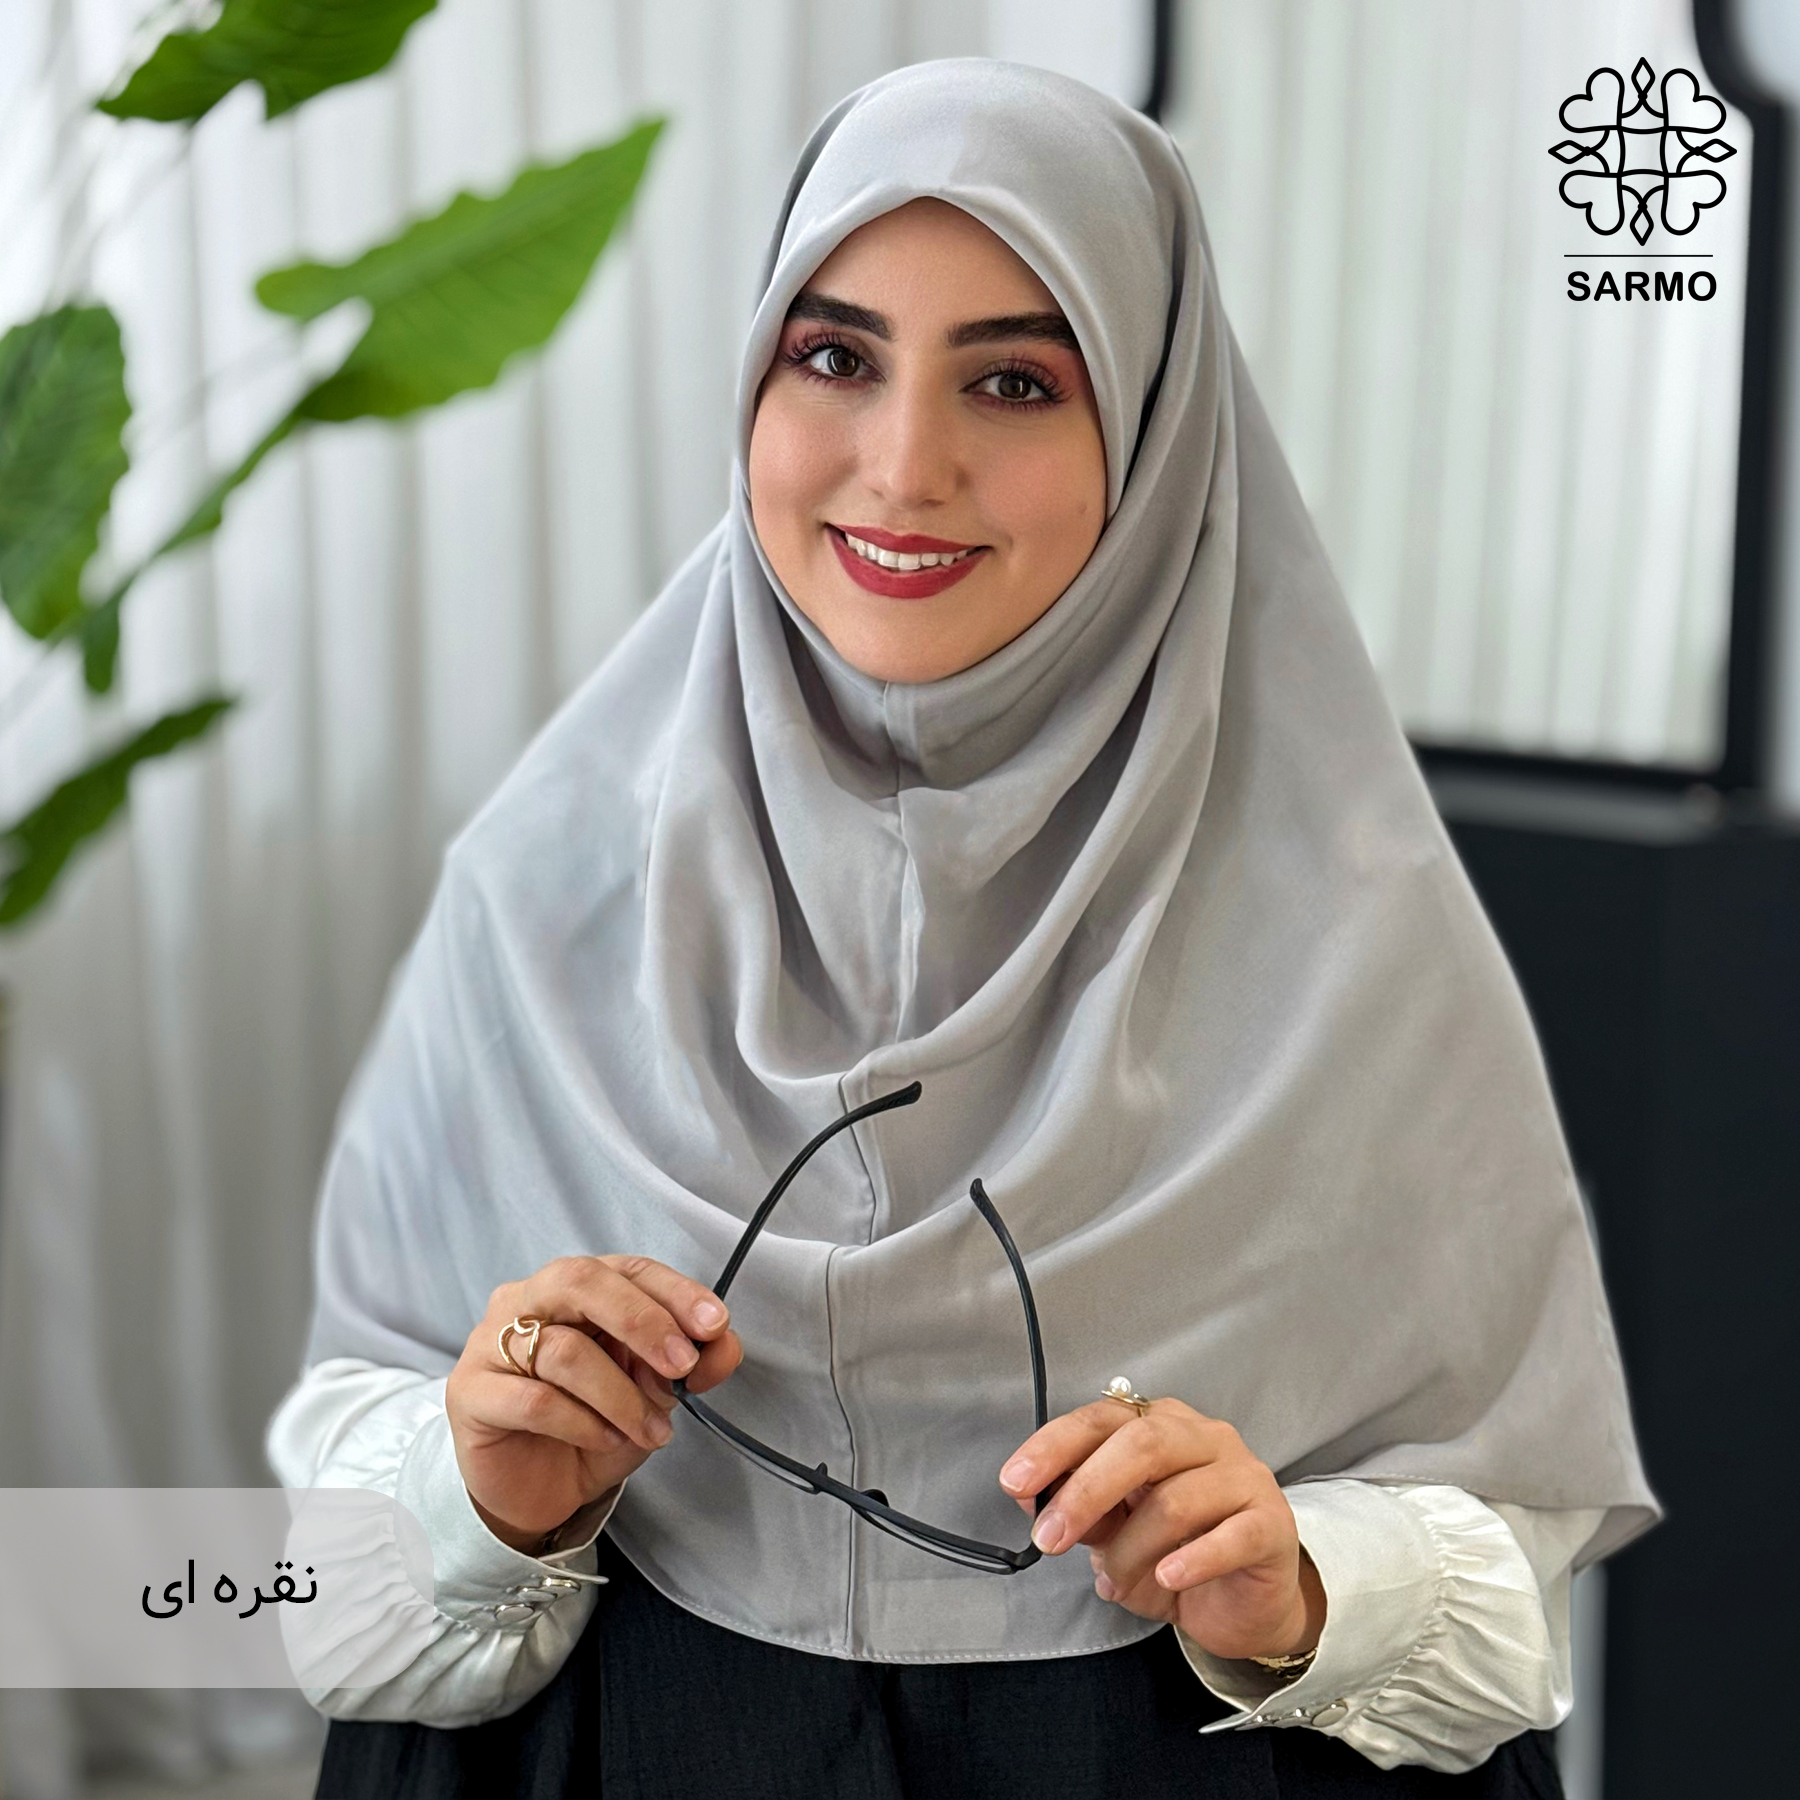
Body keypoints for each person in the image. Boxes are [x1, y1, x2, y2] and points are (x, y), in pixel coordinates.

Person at [268, 59, 1656, 1799]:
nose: (905, 465)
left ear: (1151, 433)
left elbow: (1510, 1609)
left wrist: (1303, 1588)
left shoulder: (1354, 941)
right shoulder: (548, 893)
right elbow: (333, 1595)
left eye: (1012, 380)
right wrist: (482, 1494)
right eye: (835, 358)